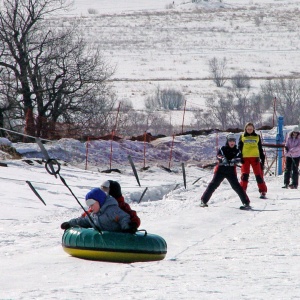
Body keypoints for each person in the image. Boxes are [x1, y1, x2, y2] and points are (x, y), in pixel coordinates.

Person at [200, 133, 251, 209]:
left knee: (236, 186)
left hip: (231, 171)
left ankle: (246, 202)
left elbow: (240, 158)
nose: (232, 142)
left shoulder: (237, 150)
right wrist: (223, 159)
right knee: (213, 185)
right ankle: (203, 201)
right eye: (230, 140)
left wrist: (235, 160)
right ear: (227, 141)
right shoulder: (223, 148)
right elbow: (219, 155)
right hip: (220, 170)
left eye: (233, 140)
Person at [61, 188, 134, 233]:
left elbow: (123, 217)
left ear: (100, 201)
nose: (90, 207)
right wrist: (69, 223)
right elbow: (83, 221)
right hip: (103, 241)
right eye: (88, 204)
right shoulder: (93, 215)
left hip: (118, 238)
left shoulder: (111, 210)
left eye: (91, 203)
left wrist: (127, 227)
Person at [238, 122, 267, 199]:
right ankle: (242, 190)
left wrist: (262, 158)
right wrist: (240, 157)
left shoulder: (257, 136)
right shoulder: (242, 136)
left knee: (258, 175)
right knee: (245, 175)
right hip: (245, 158)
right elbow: (239, 148)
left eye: (251, 129)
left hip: (255, 158)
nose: (249, 130)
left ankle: (263, 191)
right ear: (245, 129)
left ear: (253, 129)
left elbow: (260, 148)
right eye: (248, 129)